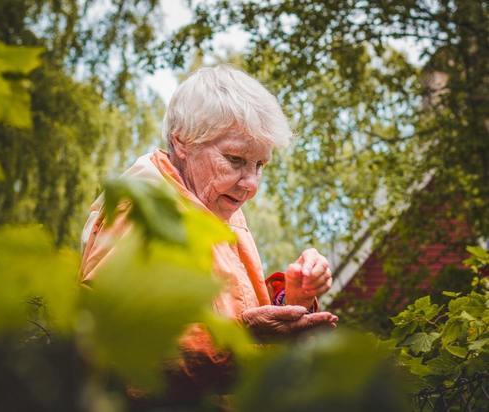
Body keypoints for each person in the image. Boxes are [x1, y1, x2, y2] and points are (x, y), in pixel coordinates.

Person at [79, 65, 338, 402]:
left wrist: (292, 299)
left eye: (260, 165)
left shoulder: (216, 205)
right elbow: (110, 354)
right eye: (235, 159)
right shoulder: (141, 212)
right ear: (182, 141)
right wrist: (239, 337)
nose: (251, 185)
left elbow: (234, 311)